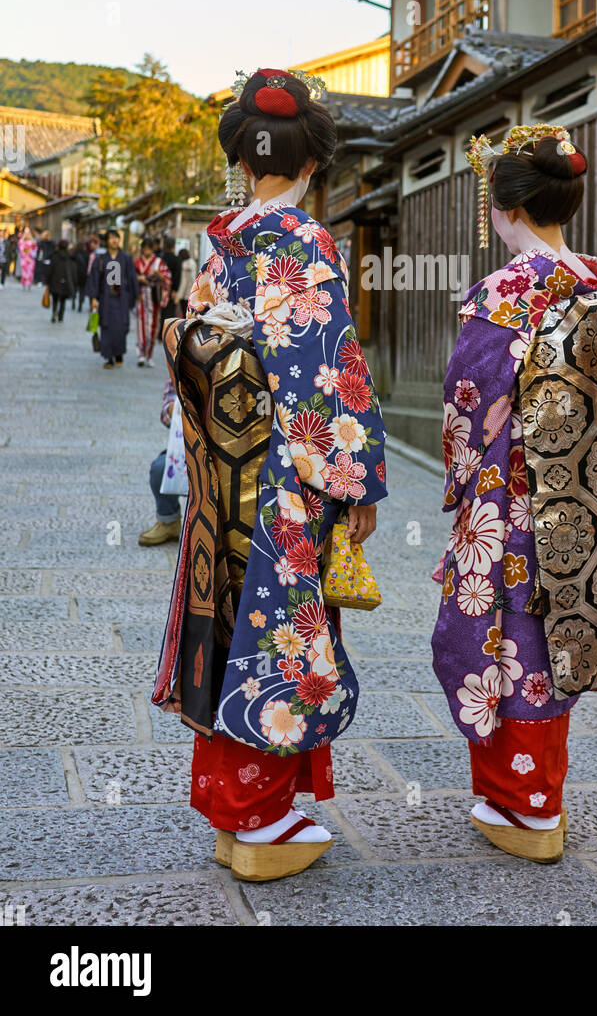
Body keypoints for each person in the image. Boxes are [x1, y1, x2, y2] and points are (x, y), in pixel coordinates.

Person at [153, 66, 387, 883]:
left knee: (228, 626)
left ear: (242, 163)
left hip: (222, 481)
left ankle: (235, 813)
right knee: (279, 636)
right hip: (286, 483)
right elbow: (330, 373)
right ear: (316, 164)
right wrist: (356, 481)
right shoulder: (304, 244)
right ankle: (261, 819)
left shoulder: (219, 245)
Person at [431, 124, 597, 863]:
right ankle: (540, 794)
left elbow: (468, 400)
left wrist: (462, 476)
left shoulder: (501, 295)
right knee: (557, 631)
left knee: (510, 638)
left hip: (512, 494)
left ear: (503, 209)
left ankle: (523, 806)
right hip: (584, 499)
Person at [138, 377, 183, 546]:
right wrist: (178, 407)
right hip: (188, 448)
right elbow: (165, 416)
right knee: (160, 468)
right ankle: (169, 521)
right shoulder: (181, 362)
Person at [86, 227, 139, 367]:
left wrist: (136, 295)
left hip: (122, 299)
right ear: (107, 241)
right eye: (111, 238)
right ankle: (109, 357)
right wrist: (93, 298)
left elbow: (132, 278)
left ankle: (119, 354)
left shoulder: (126, 258)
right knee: (107, 327)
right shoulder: (101, 259)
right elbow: (95, 279)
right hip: (106, 299)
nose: (114, 240)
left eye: (116, 238)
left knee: (122, 327)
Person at [134, 236, 171, 366]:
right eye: (145, 249)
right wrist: (139, 279)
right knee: (141, 325)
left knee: (153, 326)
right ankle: (141, 354)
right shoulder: (137, 262)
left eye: (149, 249)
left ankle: (149, 355)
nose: (147, 252)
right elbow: (132, 277)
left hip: (154, 296)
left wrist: (159, 275)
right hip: (141, 296)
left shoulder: (159, 262)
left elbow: (167, 278)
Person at [157, 235, 182, 338]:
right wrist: (175, 290)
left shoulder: (160, 257)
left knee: (159, 312)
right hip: (170, 289)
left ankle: (158, 334)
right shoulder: (176, 259)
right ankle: (166, 333)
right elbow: (177, 275)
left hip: (159, 288)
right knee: (169, 312)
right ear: (173, 247)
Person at [46, 239, 76, 322]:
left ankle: (54, 312)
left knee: (55, 299)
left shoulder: (55, 256)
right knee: (63, 301)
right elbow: (73, 272)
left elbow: (50, 270)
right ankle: (60, 315)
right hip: (66, 282)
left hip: (55, 281)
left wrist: (47, 281)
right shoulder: (69, 257)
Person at [176, 247, 196, 316]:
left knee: (184, 313)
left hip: (185, 294)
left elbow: (183, 282)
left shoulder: (184, 265)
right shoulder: (192, 262)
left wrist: (179, 296)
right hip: (191, 292)